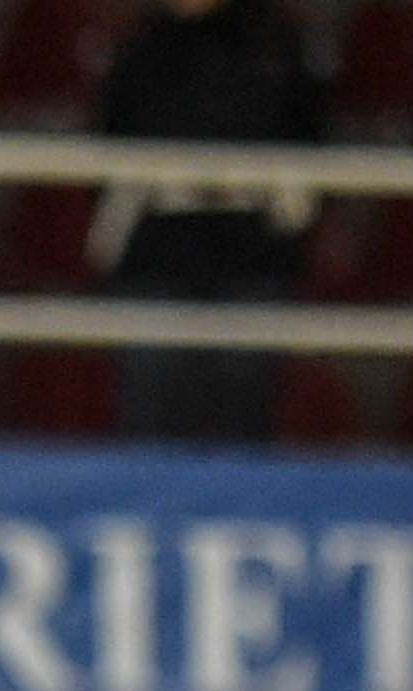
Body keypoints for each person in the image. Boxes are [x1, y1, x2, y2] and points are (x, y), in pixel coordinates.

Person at [94, 0, 323, 446]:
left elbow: (307, 137)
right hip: (159, 253)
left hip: (251, 254)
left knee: (243, 412)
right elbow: (112, 138)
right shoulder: (141, 51)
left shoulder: (274, 50)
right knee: (150, 412)